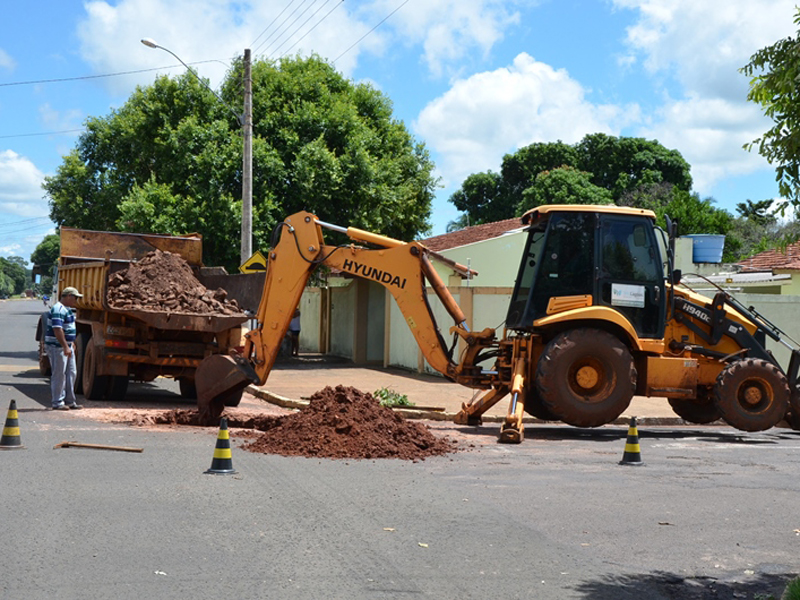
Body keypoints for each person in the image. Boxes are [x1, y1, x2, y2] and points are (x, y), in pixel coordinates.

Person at [45, 287, 84, 411]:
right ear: (68, 296)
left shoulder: (67, 309)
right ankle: (57, 402)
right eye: (75, 297)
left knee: (71, 373)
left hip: (65, 345)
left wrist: (70, 343)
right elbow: (57, 329)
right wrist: (65, 346)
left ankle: (70, 401)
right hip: (57, 347)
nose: (76, 300)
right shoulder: (58, 309)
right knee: (59, 374)